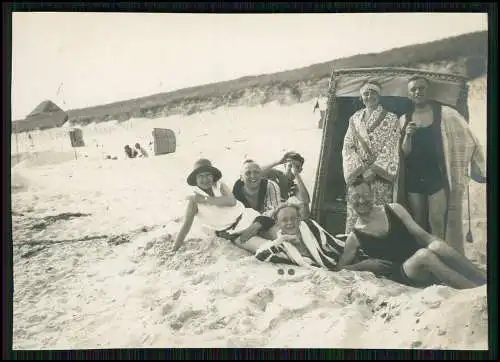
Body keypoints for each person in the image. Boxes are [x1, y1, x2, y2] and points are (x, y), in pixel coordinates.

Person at [338, 178, 487, 289]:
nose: (362, 200)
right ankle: (474, 290)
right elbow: (340, 267)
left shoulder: (393, 209)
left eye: (365, 194)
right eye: (356, 197)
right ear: (348, 200)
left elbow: (423, 236)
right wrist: (364, 265)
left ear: (373, 194)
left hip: (419, 258)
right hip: (400, 272)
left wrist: (438, 244)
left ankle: (483, 277)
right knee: (424, 255)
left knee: (437, 246)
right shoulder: (355, 236)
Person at [395, 76, 487, 254]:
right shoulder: (403, 120)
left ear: (428, 91)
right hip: (414, 177)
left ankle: (440, 259)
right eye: (413, 90)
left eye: (421, 88)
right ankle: (423, 262)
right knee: (418, 222)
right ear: (409, 95)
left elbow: (468, 138)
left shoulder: (445, 114)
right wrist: (408, 135)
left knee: (437, 220)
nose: (417, 92)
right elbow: (402, 154)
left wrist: (477, 166)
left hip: (436, 176)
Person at [172, 159, 275, 252]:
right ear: (195, 179)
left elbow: (231, 201)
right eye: (200, 176)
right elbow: (185, 227)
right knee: (268, 250)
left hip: (250, 218)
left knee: (279, 235)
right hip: (234, 233)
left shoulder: (220, 185)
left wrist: (205, 199)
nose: (205, 179)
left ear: (213, 176)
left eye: (208, 175)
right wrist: (174, 249)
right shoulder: (193, 201)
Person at [342, 80, 401, 234]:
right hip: (358, 177)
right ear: (361, 97)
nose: (369, 96)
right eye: (365, 94)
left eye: (373, 92)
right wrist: (359, 171)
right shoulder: (355, 118)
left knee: (378, 214)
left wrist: (374, 170)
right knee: (356, 213)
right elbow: (348, 145)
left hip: (380, 176)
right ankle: (352, 248)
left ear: (379, 95)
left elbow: (392, 146)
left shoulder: (391, 118)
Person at [254, 203, 345, 271]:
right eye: (284, 220)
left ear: (300, 219)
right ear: (277, 223)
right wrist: (283, 239)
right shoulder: (281, 245)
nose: (290, 223)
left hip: (338, 260)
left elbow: (334, 244)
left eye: (293, 218)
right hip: (323, 270)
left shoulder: (310, 225)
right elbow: (259, 256)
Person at [232, 159, 282, 242]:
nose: (253, 176)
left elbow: (274, 211)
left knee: (278, 234)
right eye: (248, 173)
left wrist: (255, 226)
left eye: (256, 172)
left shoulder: (270, 185)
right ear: (241, 177)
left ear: (261, 175)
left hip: (268, 223)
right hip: (247, 226)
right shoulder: (236, 191)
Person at [261, 151, 311, 219]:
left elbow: (306, 200)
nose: (293, 169)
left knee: (305, 207)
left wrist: (296, 174)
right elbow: (257, 173)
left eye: (297, 167)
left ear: (300, 170)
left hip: (281, 214)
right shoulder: (275, 174)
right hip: (267, 211)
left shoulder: (295, 186)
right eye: (290, 166)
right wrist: (278, 162)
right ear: (285, 165)